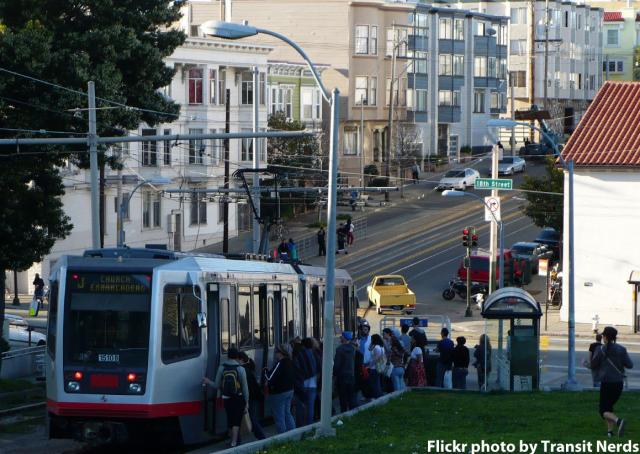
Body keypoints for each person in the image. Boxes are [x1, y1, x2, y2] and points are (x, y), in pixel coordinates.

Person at [591, 326, 633, 438]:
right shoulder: (621, 349)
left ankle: (618, 421)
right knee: (609, 407)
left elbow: (593, 364)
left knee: (603, 410)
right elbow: (630, 365)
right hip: (619, 383)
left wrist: (586, 363)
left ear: (605, 337)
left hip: (607, 383)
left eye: (603, 335)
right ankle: (610, 432)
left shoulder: (600, 350)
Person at [203, 348, 248, 448]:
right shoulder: (241, 369)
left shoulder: (221, 367)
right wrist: (247, 402)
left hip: (226, 397)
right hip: (238, 397)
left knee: (230, 419)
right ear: (237, 356)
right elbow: (245, 388)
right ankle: (234, 442)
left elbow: (216, 385)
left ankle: (232, 440)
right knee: (236, 420)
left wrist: (207, 381)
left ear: (227, 355)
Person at [264, 344, 296, 434]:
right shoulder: (290, 362)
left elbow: (269, 378)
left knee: (279, 417)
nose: (275, 354)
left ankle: (282, 437)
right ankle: (293, 434)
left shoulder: (280, 364)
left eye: (276, 352)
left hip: (279, 393)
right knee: (287, 413)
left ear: (281, 353)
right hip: (290, 390)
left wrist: (265, 370)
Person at [238, 352, 266, 440]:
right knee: (250, 416)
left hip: (250, 397)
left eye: (237, 360)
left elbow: (246, 387)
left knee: (251, 417)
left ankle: (261, 436)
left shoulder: (243, 370)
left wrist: (245, 400)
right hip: (253, 396)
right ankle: (237, 439)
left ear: (241, 360)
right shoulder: (248, 368)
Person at [293, 337, 320, 427]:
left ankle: (300, 426)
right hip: (313, 383)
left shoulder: (298, 354)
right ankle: (309, 425)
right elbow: (319, 366)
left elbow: (297, 370)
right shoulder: (314, 353)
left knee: (300, 406)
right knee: (310, 406)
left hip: (302, 383)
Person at [333, 331, 358, 412]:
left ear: (344, 338)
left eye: (341, 336)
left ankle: (343, 413)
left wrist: (334, 374)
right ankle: (353, 412)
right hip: (351, 375)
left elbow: (337, 364)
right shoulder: (353, 349)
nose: (340, 337)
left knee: (342, 396)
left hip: (342, 376)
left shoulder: (339, 349)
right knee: (351, 396)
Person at [368, 334, 385, 398]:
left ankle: (377, 397)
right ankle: (378, 396)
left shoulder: (376, 347)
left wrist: (369, 365)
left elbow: (376, 359)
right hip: (377, 367)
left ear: (374, 339)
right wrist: (372, 343)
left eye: (372, 339)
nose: (371, 340)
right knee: (376, 382)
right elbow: (369, 349)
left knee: (375, 384)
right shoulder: (380, 346)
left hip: (374, 368)